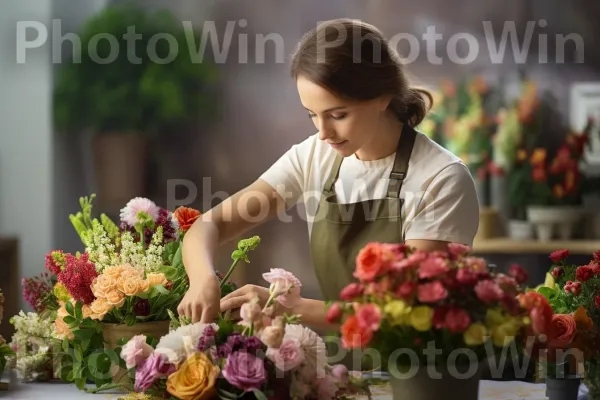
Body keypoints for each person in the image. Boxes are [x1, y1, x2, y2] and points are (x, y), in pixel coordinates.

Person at [177, 18, 480, 328]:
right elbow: (213, 224)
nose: (324, 132)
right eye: (312, 115)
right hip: (342, 365)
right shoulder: (315, 156)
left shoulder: (441, 178)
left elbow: (411, 311)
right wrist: (203, 279)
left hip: (417, 368)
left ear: (383, 97)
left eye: (338, 115)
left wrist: (290, 307)